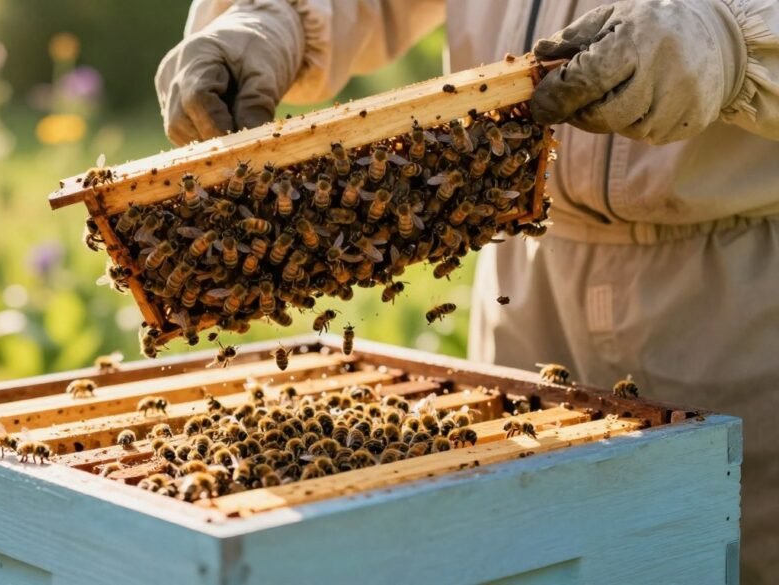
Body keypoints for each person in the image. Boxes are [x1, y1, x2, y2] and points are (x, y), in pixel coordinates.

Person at [156, 0, 779, 580]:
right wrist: (270, 20)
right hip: (527, 284)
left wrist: (733, 43)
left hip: (741, 310)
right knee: (517, 560)